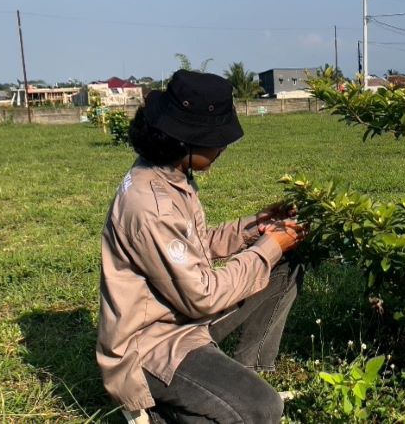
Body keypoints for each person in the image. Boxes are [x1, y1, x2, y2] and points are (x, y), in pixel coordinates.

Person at [97, 70, 307, 423]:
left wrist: (257, 228)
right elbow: (202, 296)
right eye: (216, 139)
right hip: (154, 343)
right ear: (185, 139)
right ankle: (155, 409)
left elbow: (196, 243)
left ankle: (246, 374)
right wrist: (269, 246)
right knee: (263, 409)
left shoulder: (169, 173)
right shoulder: (151, 204)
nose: (222, 146)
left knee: (286, 261)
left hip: (182, 315)